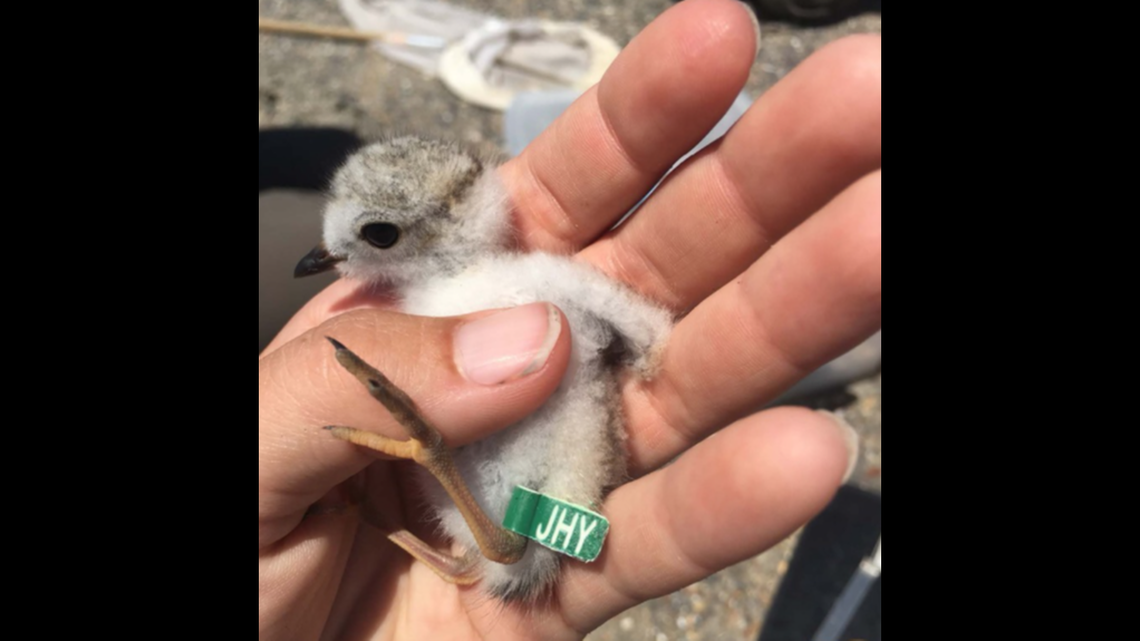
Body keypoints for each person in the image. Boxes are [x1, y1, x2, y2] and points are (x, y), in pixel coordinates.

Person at [258, 0, 882, 638]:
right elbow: (638, 328)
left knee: (518, 545)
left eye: (378, 235)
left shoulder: (511, 283)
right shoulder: (517, 282)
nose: (332, 259)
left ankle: (496, 539)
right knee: (520, 539)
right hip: (512, 518)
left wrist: (437, 453)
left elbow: (639, 329)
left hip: (524, 517)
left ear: (449, 224)